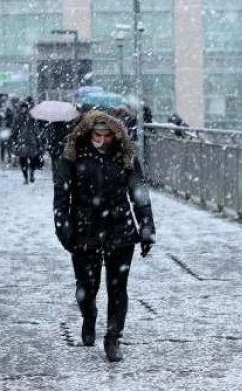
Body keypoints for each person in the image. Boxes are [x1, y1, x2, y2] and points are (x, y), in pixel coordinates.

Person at [53, 110, 156, 362]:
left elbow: (139, 193)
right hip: (84, 229)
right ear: (88, 133)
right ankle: (89, 316)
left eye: (107, 135)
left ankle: (113, 337)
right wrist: (63, 227)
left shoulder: (125, 154)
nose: (102, 140)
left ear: (115, 134)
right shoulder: (73, 154)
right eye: (97, 135)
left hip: (119, 227)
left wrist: (146, 228)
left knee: (117, 287)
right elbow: (61, 195)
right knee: (87, 288)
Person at [9, 102, 43, 184]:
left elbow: (36, 129)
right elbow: (14, 129)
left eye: (25, 108)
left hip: (31, 141)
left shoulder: (32, 117)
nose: (23, 110)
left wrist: (39, 139)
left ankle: (31, 173)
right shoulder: (17, 118)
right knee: (22, 160)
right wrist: (13, 138)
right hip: (21, 141)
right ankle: (25, 177)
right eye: (22, 108)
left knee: (33, 159)